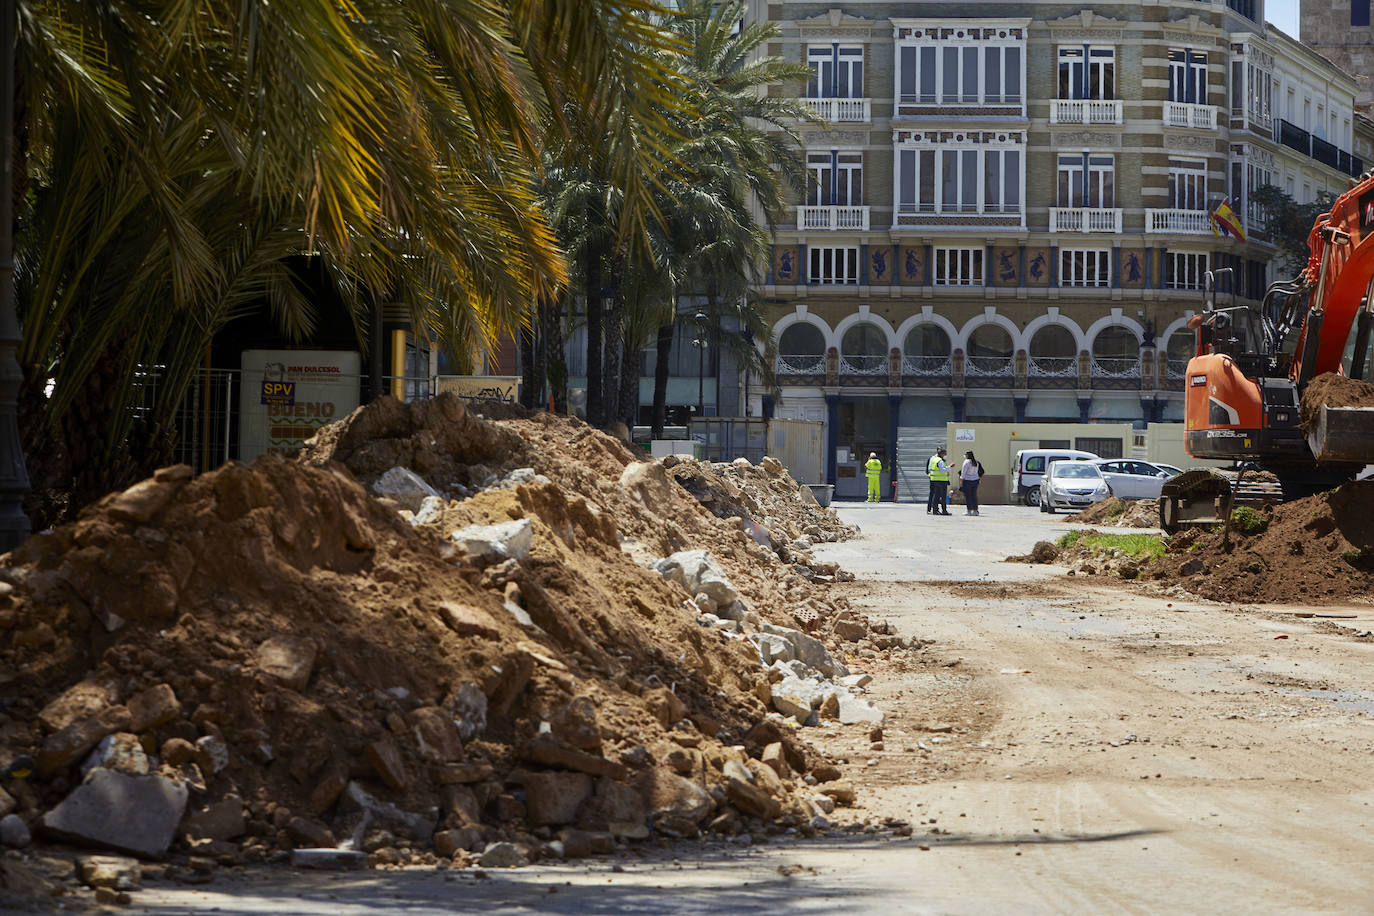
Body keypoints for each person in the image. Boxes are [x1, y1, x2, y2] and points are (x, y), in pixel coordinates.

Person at [926, 447, 950, 516]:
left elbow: (930, 469)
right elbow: (942, 470)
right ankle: (943, 510)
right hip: (941, 480)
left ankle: (934, 510)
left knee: (935, 496)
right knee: (942, 496)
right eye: (945, 453)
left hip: (934, 479)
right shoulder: (940, 460)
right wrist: (949, 467)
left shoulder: (933, 459)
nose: (946, 454)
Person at [959, 449, 984, 515]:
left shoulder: (966, 462)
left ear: (967, 455)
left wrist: (961, 481)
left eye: (965, 454)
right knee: (974, 496)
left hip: (967, 481)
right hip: (975, 480)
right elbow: (977, 472)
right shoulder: (976, 462)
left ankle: (969, 511)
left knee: (968, 496)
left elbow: (963, 473)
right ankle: (975, 511)